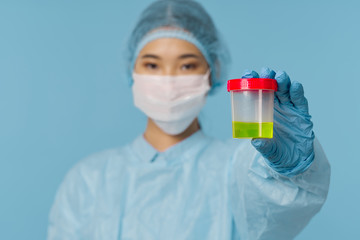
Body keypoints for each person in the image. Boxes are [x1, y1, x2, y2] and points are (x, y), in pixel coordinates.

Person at [47, 0, 331, 239]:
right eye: (152, 64)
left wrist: (290, 168)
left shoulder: (239, 170)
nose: (168, 80)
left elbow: (277, 212)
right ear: (131, 70)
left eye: (187, 65)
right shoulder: (88, 180)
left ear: (213, 70)